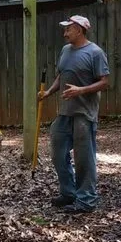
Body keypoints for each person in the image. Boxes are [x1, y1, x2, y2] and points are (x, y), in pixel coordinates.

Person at [39, 15, 109, 214]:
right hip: (65, 112)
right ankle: (68, 193)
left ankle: (86, 200)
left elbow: (105, 82)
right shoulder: (66, 50)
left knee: (84, 158)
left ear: (79, 30)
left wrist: (81, 90)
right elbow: (61, 74)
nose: (64, 33)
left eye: (68, 29)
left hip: (84, 114)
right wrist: (48, 92)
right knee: (57, 154)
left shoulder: (95, 52)